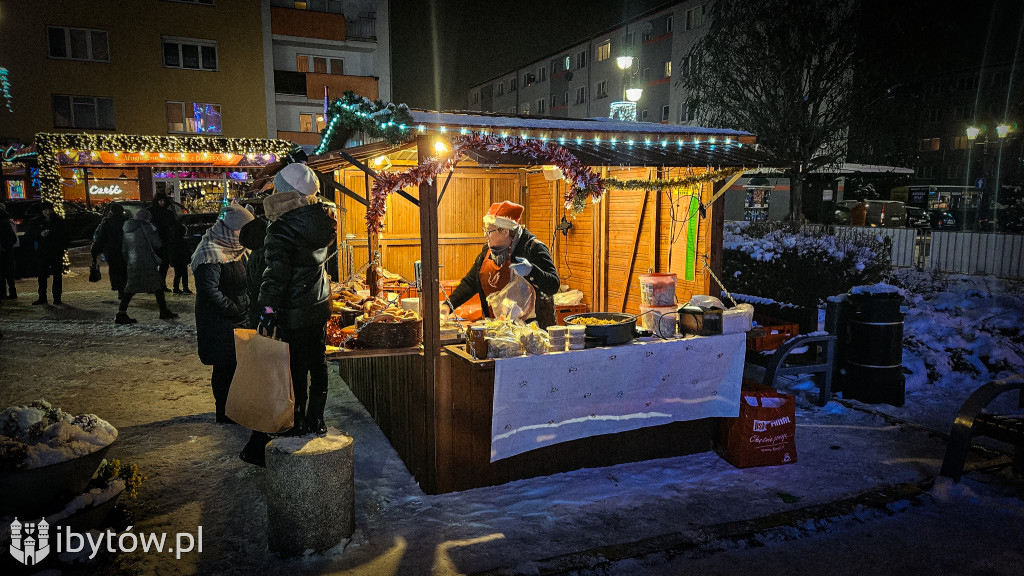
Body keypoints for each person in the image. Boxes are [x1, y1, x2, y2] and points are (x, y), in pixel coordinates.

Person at [239, 163, 335, 466]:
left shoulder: (282, 226)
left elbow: (275, 276)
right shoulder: (322, 219)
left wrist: (266, 311)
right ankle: (314, 420)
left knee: (292, 371)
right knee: (316, 363)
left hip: (292, 311)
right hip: (317, 305)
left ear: (284, 190)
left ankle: (293, 424)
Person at [444, 200, 560, 328]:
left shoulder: (533, 248)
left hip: (532, 333)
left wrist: (531, 271)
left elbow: (553, 284)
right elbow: (470, 283)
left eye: (489, 231)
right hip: (497, 331)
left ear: (505, 231)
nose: (486, 236)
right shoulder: (487, 252)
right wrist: (448, 305)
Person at [191, 205, 254, 424]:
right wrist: (233, 309)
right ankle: (224, 411)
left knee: (237, 364)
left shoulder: (238, 249)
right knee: (224, 366)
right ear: (232, 229)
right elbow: (209, 291)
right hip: (219, 321)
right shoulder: (210, 252)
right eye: (242, 230)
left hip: (238, 317)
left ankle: (235, 407)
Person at [117, 208, 179, 324]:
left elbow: (124, 249)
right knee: (158, 286)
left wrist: (129, 260)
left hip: (133, 262)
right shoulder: (146, 227)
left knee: (130, 288)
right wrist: (155, 231)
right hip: (146, 262)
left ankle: (121, 312)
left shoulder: (127, 229)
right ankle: (163, 310)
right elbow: (157, 243)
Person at [29, 200, 68, 306]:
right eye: (46, 210)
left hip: (55, 251)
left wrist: (62, 246)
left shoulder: (58, 221)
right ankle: (42, 297)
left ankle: (57, 297)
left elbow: (64, 235)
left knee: (57, 275)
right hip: (42, 252)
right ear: (42, 211)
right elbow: (30, 235)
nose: (48, 212)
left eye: (49, 210)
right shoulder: (36, 221)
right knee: (42, 275)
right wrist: (40, 234)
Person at [91, 203, 130, 301]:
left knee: (115, 270)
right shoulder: (126, 221)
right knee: (124, 270)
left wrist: (95, 251)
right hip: (124, 250)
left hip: (112, 251)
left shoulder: (107, 222)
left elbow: (101, 238)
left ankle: (119, 289)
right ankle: (124, 289)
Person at [149, 192, 176, 291]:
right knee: (154, 265)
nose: (162, 202)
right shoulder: (151, 212)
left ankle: (161, 284)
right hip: (154, 241)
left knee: (164, 264)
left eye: (163, 200)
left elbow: (173, 226)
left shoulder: (168, 213)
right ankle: (154, 285)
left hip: (164, 241)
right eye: (160, 201)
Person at [0, 202, 17, 299]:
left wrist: (4, 246)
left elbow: (12, 238)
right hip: (7, 250)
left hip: (5, 250)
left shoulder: (6, 222)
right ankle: (11, 292)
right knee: (8, 273)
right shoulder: (7, 221)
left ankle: (4, 293)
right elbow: (13, 238)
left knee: (5, 273)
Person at [170, 220, 192, 294]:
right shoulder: (183, 241)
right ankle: (185, 288)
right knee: (184, 274)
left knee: (177, 274)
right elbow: (186, 251)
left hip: (176, 260)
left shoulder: (173, 241)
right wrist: (189, 258)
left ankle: (176, 288)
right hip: (183, 260)